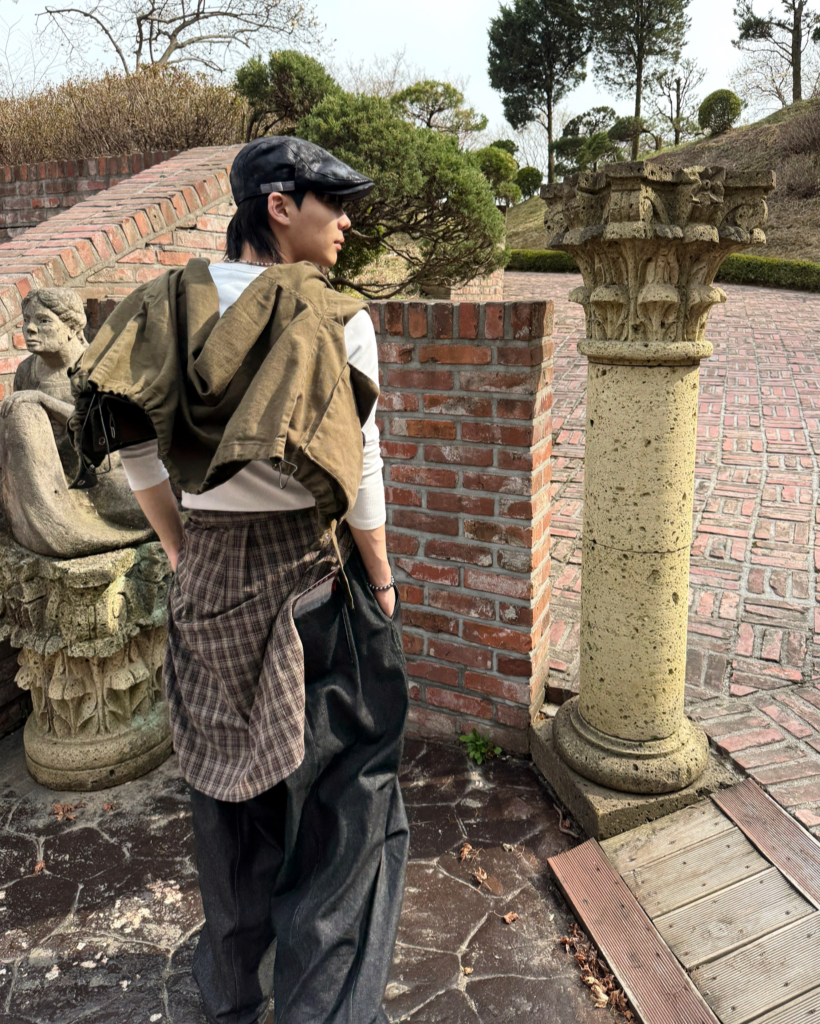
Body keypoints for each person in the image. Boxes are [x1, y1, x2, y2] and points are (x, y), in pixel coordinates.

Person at [68, 136, 410, 1024]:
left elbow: (137, 457)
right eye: (333, 204)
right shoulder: (334, 317)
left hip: (207, 575)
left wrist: (185, 553)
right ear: (279, 207)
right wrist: (381, 583)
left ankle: (228, 997)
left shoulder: (157, 311)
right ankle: (321, 1009)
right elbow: (361, 472)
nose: (346, 223)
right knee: (343, 815)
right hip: (312, 578)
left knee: (228, 802)